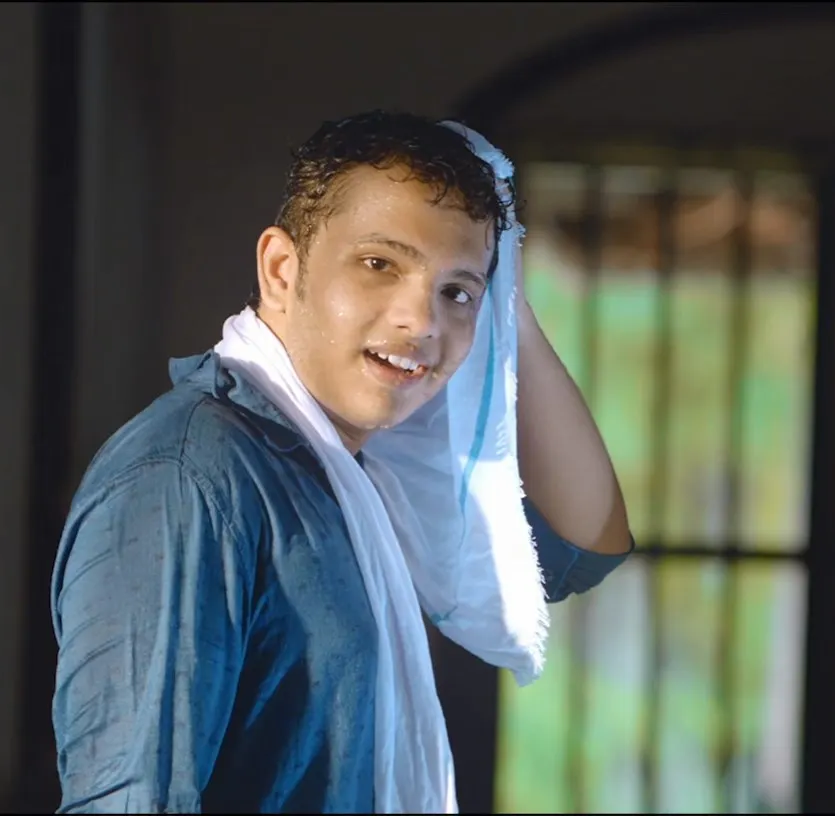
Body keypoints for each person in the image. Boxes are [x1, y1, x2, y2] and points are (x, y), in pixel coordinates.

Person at [49, 110, 634, 814]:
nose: (421, 321)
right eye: (380, 264)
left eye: (455, 292)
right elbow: (129, 800)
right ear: (281, 269)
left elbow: (581, 550)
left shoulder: (362, 476)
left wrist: (505, 296)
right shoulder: (190, 476)